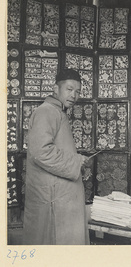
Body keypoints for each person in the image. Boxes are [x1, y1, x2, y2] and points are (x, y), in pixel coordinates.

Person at [23, 68, 90, 245]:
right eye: (69, 89)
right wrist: (76, 161)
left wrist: (77, 161)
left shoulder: (57, 112)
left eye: (77, 91)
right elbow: (40, 152)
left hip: (59, 198)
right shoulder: (47, 111)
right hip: (52, 200)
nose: (74, 95)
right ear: (55, 88)